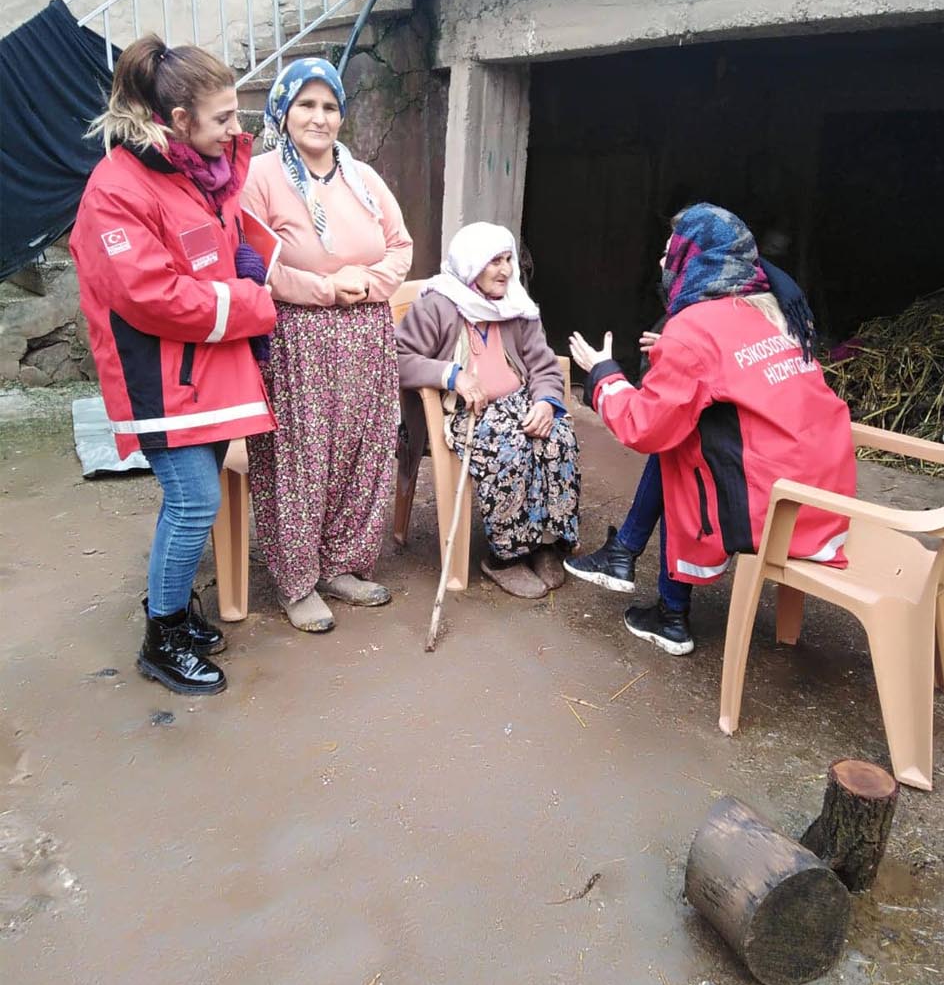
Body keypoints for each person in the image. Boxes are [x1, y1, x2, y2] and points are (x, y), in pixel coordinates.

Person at [70, 34, 277, 696]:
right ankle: (162, 637)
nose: (236, 129)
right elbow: (149, 294)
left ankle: (176, 611)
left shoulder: (189, 167)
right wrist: (251, 304)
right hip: (161, 377)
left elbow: (203, 255)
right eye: (224, 118)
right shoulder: (116, 188)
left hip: (201, 374)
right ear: (179, 121)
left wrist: (244, 259)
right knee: (194, 503)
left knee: (193, 498)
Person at [568, 202, 855, 656]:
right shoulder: (771, 308)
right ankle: (625, 555)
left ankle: (670, 614)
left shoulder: (694, 328)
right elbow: (744, 370)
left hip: (776, 514)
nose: (661, 263)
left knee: (679, 447)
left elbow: (643, 427)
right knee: (692, 428)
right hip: (824, 500)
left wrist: (604, 374)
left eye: (670, 253)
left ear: (693, 260)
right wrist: (679, 356)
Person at [242, 57, 413, 632]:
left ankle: (342, 564)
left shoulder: (362, 177)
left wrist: (368, 284)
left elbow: (400, 246)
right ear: (283, 109)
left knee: (362, 452)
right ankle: (296, 580)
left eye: (331, 106)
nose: (320, 118)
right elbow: (255, 265)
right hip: (298, 337)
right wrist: (323, 288)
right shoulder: (262, 177)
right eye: (307, 104)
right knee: (300, 458)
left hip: (366, 335)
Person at [395, 222, 580, 598]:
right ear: (470, 264)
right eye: (495, 261)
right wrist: (450, 374)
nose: (506, 270)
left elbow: (544, 365)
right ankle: (505, 557)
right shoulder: (437, 305)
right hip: (461, 412)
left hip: (519, 401)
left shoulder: (516, 305)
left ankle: (545, 543)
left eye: (509, 259)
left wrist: (545, 401)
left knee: (558, 437)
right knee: (508, 445)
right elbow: (395, 359)